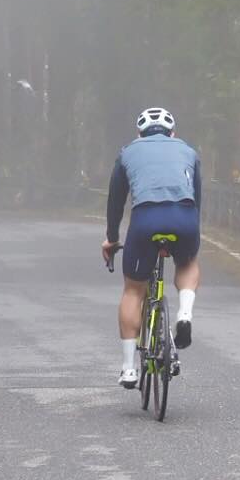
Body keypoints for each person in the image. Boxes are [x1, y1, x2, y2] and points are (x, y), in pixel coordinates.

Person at [102, 107, 202, 388]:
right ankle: (184, 314)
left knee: (134, 290)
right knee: (187, 263)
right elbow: (197, 197)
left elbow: (115, 202)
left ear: (139, 133)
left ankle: (128, 369)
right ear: (172, 133)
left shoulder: (127, 152)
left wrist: (111, 238)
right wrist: (190, 233)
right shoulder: (188, 151)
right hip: (184, 217)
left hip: (146, 219)